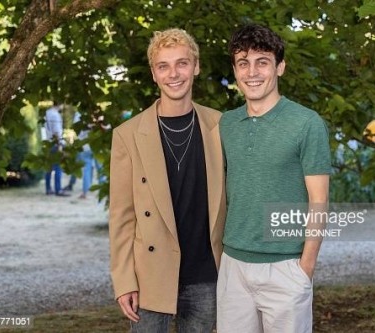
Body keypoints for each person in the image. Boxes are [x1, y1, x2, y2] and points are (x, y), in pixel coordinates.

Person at [108, 28, 226, 333]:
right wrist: (124, 281)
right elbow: (122, 217)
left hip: (206, 275)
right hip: (150, 277)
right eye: (164, 66)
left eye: (182, 63)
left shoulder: (220, 126)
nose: (173, 74)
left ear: (196, 66)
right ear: (154, 74)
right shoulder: (128, 135)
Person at [217, 24, 331, 333]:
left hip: (286, 266)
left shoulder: (306, 123)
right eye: (243, 63)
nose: (252, 72)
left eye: (262, 62)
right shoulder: (226, 124)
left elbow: (319, 199)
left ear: (279, 67)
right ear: (235, 70)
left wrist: (304, 269)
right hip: (233, 266)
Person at [63, 111, 105, 199]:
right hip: (95, 145)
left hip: (84, 146)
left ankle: (85, 192)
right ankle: (103, 191)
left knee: (87, 170)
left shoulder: (78, 115)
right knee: (100, 168)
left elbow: (76, 130)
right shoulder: (95, 112)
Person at [44, 101, 70, 197]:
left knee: (49, 168)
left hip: (48, 142)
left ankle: (48, 188)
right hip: (55, 143)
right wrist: (59, 145)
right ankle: (58, 189)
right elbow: (57, 132)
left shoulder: (47, 113)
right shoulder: (55, 115)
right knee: (58, 168)